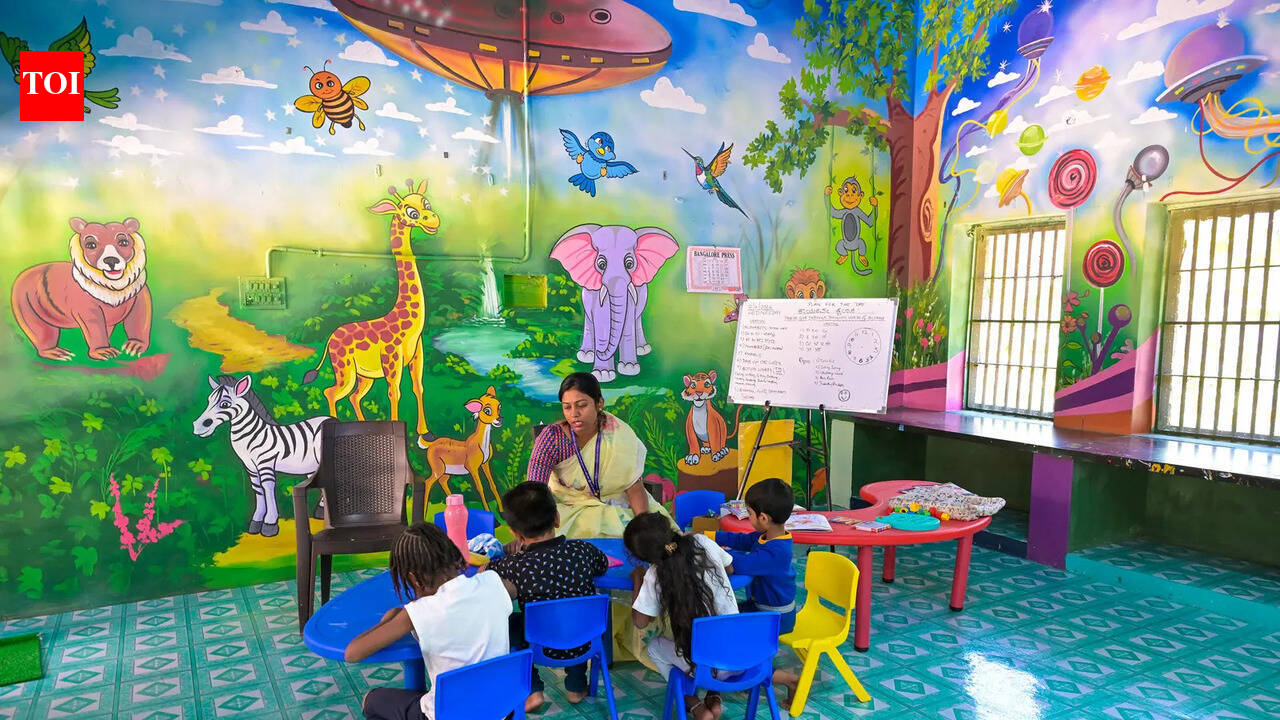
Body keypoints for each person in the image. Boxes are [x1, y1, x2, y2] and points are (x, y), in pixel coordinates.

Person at [346, 524, 512, 720]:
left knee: (372, 700)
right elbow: (509, 589)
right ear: (455, 556)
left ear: (413, 578)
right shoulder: (494, 582)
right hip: (499, 709)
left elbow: (353, 653)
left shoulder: (417, 613)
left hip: (447, 715)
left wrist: (390, 620)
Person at [487, 482, 610, 714]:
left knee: (512, 622)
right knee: (574, 618)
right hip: (583, 643)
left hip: (539, 643)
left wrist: (506, 552)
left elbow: (485, 575)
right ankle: (575, 687)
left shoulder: (514, 565)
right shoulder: (582, 551)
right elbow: (602, 564)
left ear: (515, 533)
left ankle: (533, 691)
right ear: (556, 518)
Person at [526, 372, 672, 538]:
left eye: (581, 405)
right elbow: (534, 490)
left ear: (599, 403)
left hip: (618, 505)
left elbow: (634, 488)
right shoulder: (552, 439)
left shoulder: (618, 434)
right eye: (567, 407)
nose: (574, 414)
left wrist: (643, 527)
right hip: (570, 511)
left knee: (658, 537)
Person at [625, 512, 737, 720]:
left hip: (699, 663)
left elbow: (640, 622)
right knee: (714, 632)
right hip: (737, 659)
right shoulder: (701, 541)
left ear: (644, 557)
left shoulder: (655, 573)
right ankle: (714, 695)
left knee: (655, 648)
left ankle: (693, 704)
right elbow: (730, 567)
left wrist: (637, 580)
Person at [715, 478, 802, 703]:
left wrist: (711, 550)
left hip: (775, 617)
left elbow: (739, 565)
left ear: (763, 518)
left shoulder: (776, 552)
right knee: (724, 621)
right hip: (760, 606)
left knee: (734, 637)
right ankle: (738, 669)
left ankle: (788, 679)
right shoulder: (767, 536)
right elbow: (742, 541)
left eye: (749, 514)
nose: (748, 517)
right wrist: (710, 537)